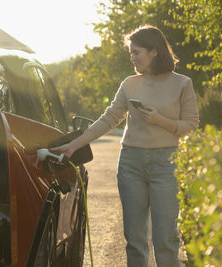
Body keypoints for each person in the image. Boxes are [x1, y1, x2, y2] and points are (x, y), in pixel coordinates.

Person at [52, 25, 199, 267]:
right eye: (130, 53)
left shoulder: (182, 83)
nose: (132, 58)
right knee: (135, 241)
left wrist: (159, 120)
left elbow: (191, 125)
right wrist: (73, 145)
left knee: (166, 241)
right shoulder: (129, 84)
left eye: (137, 52)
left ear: (154, 51)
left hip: (167, 164)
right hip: (130, 163)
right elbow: (109, 118)